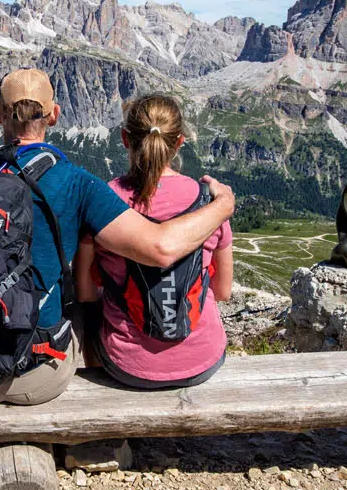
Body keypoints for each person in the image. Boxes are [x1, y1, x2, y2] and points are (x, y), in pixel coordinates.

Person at [0, 68, 234, 405]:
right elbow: (160, 247)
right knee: (76, 301)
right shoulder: (78, 183)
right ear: (54, 115)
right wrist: (223, 205)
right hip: (36, 375)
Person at [75, 94, 233, 388]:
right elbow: (222, 291)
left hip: (126, 366)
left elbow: (85, 293)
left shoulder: (103, 200)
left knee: (88, 308)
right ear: (180, 142)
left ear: (125, 139)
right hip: (203, 361)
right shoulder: (210, 205)